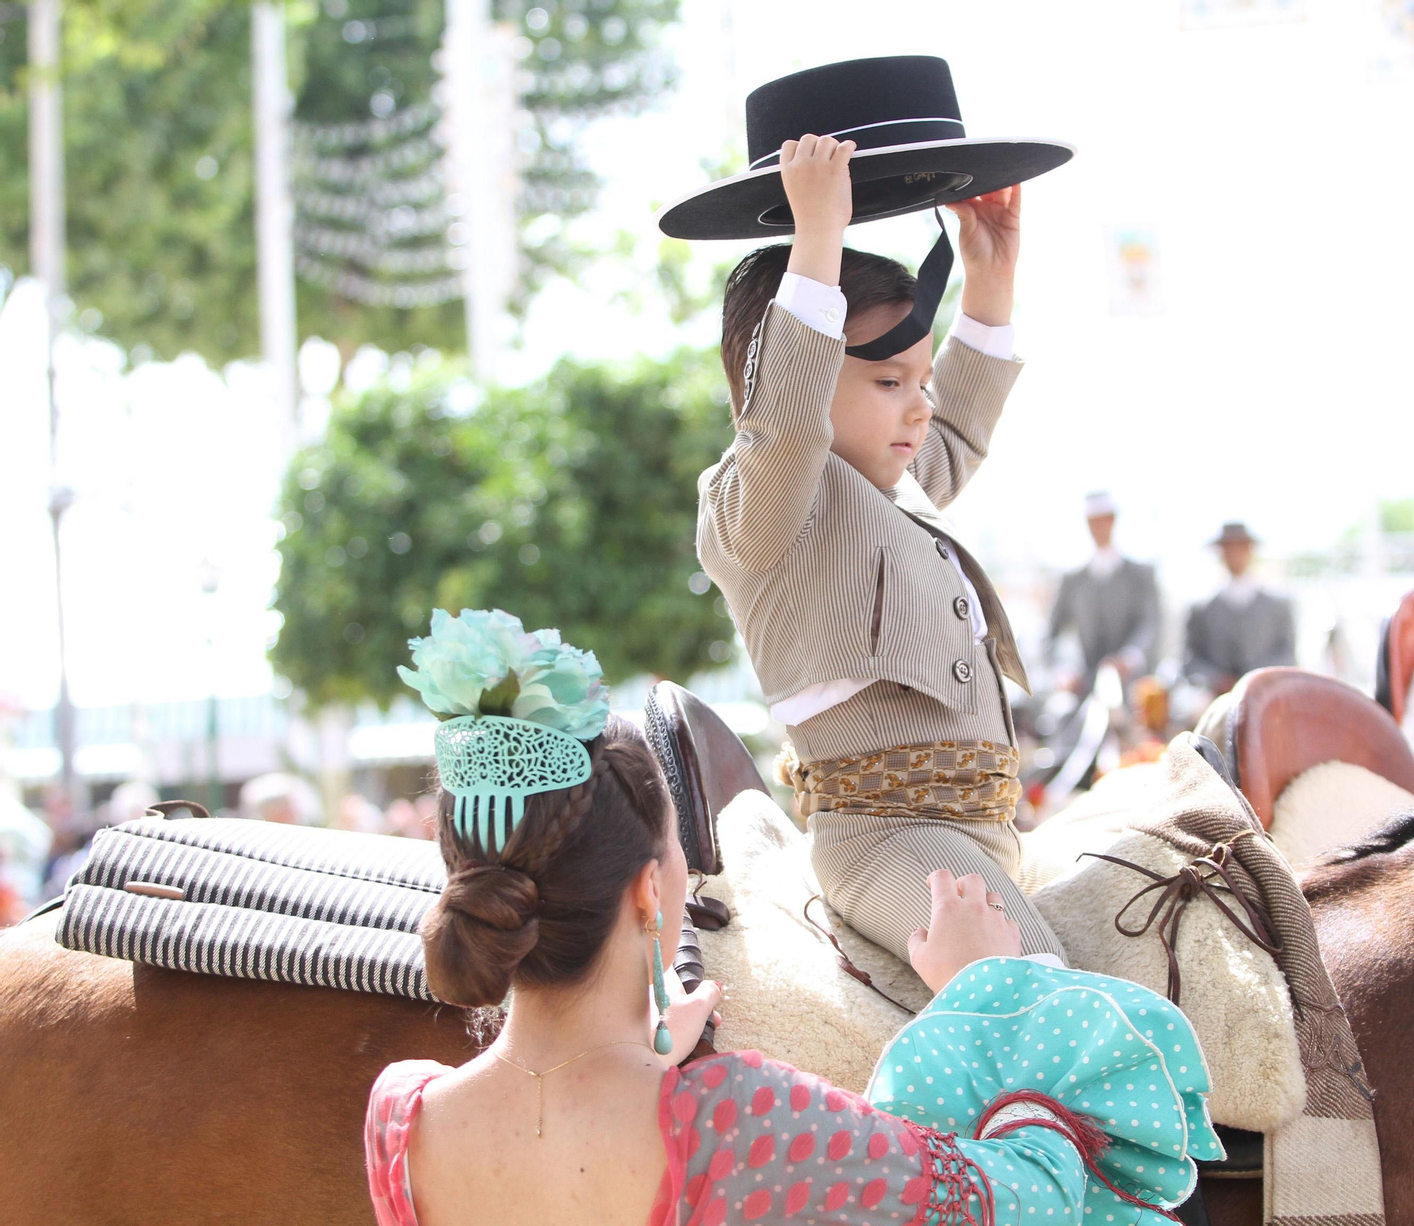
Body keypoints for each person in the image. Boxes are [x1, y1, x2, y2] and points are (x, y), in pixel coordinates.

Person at [367, 611, 1222, 1226]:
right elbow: (1022, 1198)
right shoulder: (736, 1118)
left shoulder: (403, 1122)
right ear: (644, 892)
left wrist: (646, 1053)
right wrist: (983, 991)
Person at [685, 58, 1076, 964]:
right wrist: (816, 243)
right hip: (884, 846)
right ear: (797, 370)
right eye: (889, 380)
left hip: (981, 839)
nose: (919, 406)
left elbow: (958, 437)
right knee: (1042, 993)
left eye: (923, 381)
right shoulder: (761, 506)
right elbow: (783, 427)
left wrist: (990, 284)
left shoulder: (887, 496)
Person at [1043, 491, 1161, 696]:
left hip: (1132, 686)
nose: (1098, 527)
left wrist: (1129, 659)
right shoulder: (1072, 580)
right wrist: (1064, 670)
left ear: (1113, 520)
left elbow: (1151, 624)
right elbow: (1051, 635)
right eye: (1093, 521)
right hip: (1083, 687)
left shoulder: (1140, 575)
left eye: (1104, 520)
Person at [1183, 522, 1295, 696]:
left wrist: (1256, 678)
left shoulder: (1278, 605)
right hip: (1216, 698)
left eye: (1240, 547)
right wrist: (1216, 679)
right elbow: (1190, 659)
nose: (1234, 554)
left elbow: (1287, 654)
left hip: (1266, 697)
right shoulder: (1201, 609)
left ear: (1250, 549)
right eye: (1228, 547)